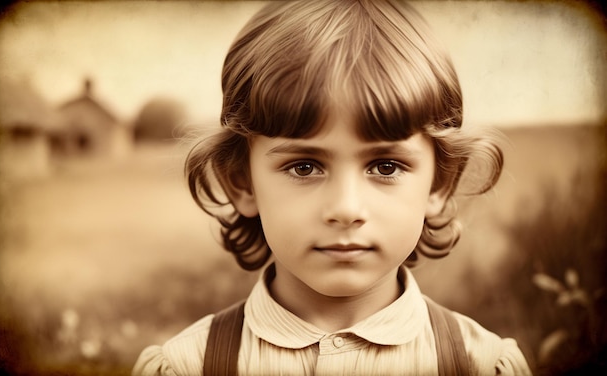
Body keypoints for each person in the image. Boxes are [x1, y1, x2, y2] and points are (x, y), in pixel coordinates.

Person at [133, 0, 532, 374]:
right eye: (305, 167)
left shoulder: (480, 365)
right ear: (242, 181)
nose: (345, 208)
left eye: (386, 166)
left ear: (439, 185)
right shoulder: (190, 366)